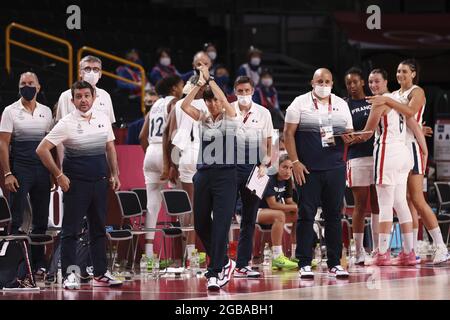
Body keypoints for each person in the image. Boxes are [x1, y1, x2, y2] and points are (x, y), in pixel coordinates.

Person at [36, 81, 122, 289]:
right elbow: (42, 149)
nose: (83, 100)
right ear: (72, 100)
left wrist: (115, 173)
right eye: (79, 96)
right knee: (71, 231)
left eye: (86, 95)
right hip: (76, 184)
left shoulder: (102, 118)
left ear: (93, 97)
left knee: (99, 229)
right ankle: (69, 275)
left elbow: (110, 147)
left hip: (100, 182)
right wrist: (58, 175)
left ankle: (100, 274)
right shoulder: (66, 122)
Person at [366, 59, 449, 264]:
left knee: (417, 200)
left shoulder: (416, 91)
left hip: (412, 147)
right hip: (400, 147)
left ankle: (441, 246)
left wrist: (384, 100)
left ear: (413, 74)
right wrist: (386, 100)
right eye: (397, 71)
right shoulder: (394, 95)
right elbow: (406, 121)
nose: (400, 74)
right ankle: (410, 249)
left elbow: (410, 113)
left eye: (404, 71)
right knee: (403, 202)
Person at [284, 68, 353, 279]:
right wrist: (295, 162)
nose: (324, 84)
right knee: (306, 215)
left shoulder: (341, 104)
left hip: (335, 168)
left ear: (333, 83)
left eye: (327, 81)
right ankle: (304, 262)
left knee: (334, 216)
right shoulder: (299, 103)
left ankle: (335, 263)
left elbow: (348, 133)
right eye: (320, 81)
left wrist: (350, 138)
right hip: (308, 170)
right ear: (312, 82)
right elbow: (288, 133)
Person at [359, 73, 429, 266]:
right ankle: (409, 252)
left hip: (387, 153)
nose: (373, 85)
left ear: (385, 82)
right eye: (371, 81)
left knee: (385, 204)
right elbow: (414, 124)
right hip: (404, 153)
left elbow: (367, 132)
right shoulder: (399, 99)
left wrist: (349, 136)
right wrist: (424, 150)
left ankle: (382, 253)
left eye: (377, 81)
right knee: (401, 203)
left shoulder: (380, 102)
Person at [181, 63, 240, 291]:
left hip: (226, 175)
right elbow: (185, 104)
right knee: (201, 224)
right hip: (204, 174)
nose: (214, 104)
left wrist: (210, 78)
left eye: (216, 100)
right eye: (210, 100)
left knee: (221, 224)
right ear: (205, 102)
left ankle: (215, 272)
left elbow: (225, 101)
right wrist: (199, 82)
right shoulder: (203, 117)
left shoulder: (231, 116)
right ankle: (225, 261)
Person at [0, 72, 53, 275]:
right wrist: (7, 173)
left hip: (42, 170)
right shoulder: (10, 111)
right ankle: (16, 264)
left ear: (38, 87)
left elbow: (51, 145)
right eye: (23, 83)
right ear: (18, 87)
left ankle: (38, 263)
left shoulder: (47, 112)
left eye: (31, 83)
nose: (27, 86)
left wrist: (53, 172)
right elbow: (3, 144)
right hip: (20, 169)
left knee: (40, 220)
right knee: (17, 219)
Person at [162, 51, 212, 261]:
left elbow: (171, 137)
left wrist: (171, 165)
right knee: (206, 206)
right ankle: (210, 252)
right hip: (205, 156)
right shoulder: (211, 104)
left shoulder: (178, 107)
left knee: (188, 206)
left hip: (185, 157)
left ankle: (189, 250)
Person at [232, 76, 273, 278]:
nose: (243, 94)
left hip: (254, 169)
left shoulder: (263, 113)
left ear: (253, 90)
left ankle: (242, 264)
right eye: (240, 91)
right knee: (223, 217)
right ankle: (220, 263)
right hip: (230, 167)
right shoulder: (227, 110)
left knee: (249, 218)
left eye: (246, 90)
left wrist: (264, 163)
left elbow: (268, 141)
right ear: (234, 91)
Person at [139, 75, 184, 257]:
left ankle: (149, 253)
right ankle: (187, 253)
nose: (183, 89)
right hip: (166, 152)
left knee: (152, 204)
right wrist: (171, 162)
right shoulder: (174, 102)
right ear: (174, 89)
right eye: (181, 86)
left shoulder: (155, 105)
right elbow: (173, 135)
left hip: (151, 151)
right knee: (182, 201)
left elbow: (142, 135)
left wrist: (150, 154)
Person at [343, 67, 379, 265]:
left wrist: (360, 135)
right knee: (359, 205)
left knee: (377, 204)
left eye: (355, 82)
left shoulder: (374, 100)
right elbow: (346, 138)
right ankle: (358, 252)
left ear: (363, 82)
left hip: (378, 156)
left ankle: (377, 250)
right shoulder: (344, 104)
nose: (352, 86)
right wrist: (360, 136)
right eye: (349, 83)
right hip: (357, 159)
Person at [256, 155, 298, 270]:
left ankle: (296, 254)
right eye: (284, 167)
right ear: (276, 167)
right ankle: (277, 256)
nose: (288, 171)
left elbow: (289, 201)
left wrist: (297, 208)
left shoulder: (287, 180)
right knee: (279, 215)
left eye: (290, 168)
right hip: (252, 211)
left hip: (268, 212)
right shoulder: (269, 177)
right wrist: (294, 207)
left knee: (298, 216)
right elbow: (273, 204)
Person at [56, 55, 116, 124]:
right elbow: (60, 125)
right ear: (80, 73)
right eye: (87, 69)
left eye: (95, 69)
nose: (92, 72)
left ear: (100, 74)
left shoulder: (105, 95)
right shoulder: (65, 96)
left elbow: (109, 124)